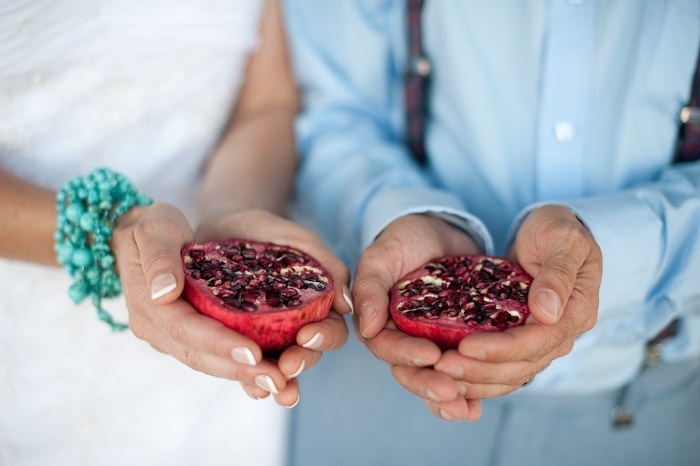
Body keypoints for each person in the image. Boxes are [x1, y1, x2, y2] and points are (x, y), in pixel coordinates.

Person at [282, 1, 700, 465]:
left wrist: (620, 247)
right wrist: (400, 212)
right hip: (377, 398)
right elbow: (336, 116)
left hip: (656, 413)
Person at [0, 1, 351, 465]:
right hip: (31, 336)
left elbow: (267, 103)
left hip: (217, 373)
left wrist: (233, 207)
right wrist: (110, 233)